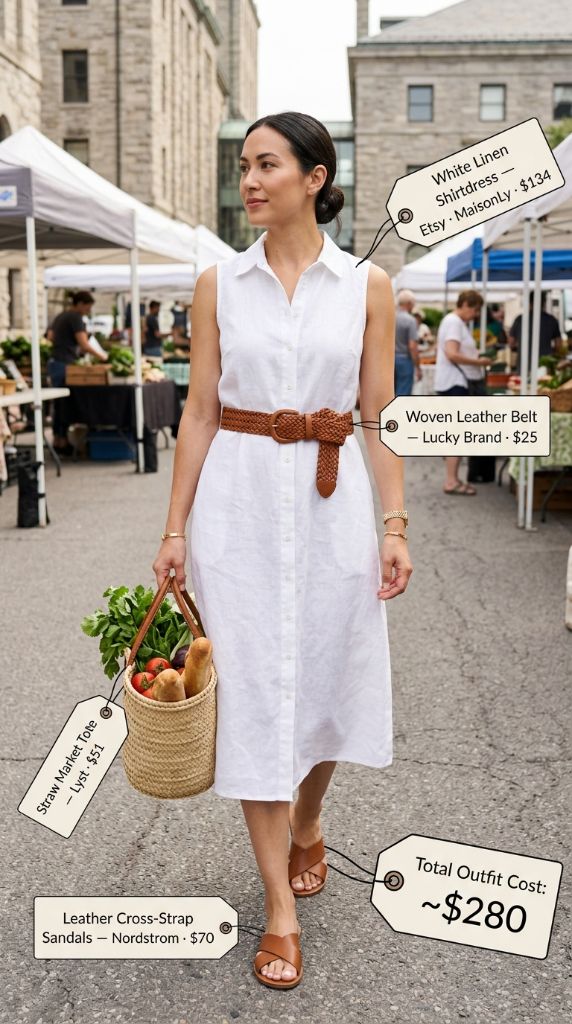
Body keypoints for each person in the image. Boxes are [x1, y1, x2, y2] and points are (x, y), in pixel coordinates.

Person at [152, 111, 412, 989]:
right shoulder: (218, 284)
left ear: (315, 175)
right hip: (240, 506)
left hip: (333, 504)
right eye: (244, 167)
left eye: (266, 165)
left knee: (331, 675)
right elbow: (198, 413)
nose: (249, 182)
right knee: (257, 693)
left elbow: (377, 414)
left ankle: (309, 820)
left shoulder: (367, 286)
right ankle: (278, 910)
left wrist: (396, 523)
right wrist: (176, 529)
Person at [434, 289, 493, 495]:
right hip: (455, 383)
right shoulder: (454, 323)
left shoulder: (453, 322)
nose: (475, 315)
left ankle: (453, 478)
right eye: (475, 310)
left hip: (453, 383)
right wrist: (480, 362)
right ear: (466, 304)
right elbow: (452, 354)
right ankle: (451, 480)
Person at [46, 291, 108, 455]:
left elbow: (50, 336)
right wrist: (103, 356)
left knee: (58, 404)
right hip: (64, 364)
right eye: (88, 306)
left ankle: (58, 439)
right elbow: (84, 344)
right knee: (64, 404)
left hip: (54, 362)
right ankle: (62, 442)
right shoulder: (75, 318)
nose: (88, 310)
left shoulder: (61, 316)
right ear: (80, 303)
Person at [508, 292, 564, 372]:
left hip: (524, 365)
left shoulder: (519, 319)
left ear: (529, 302)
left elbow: (511, 342)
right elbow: (558, 345)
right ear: (544, 303)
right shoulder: (552, 320)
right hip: (545, 364)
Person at [394, 288, 421, 395]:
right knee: (403, 394)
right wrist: (417, 367)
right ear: (409, 304)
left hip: (389, 359)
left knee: (390, 393)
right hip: (404, 359)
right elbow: (412, 346)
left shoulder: (390, 317)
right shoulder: (410, 320)